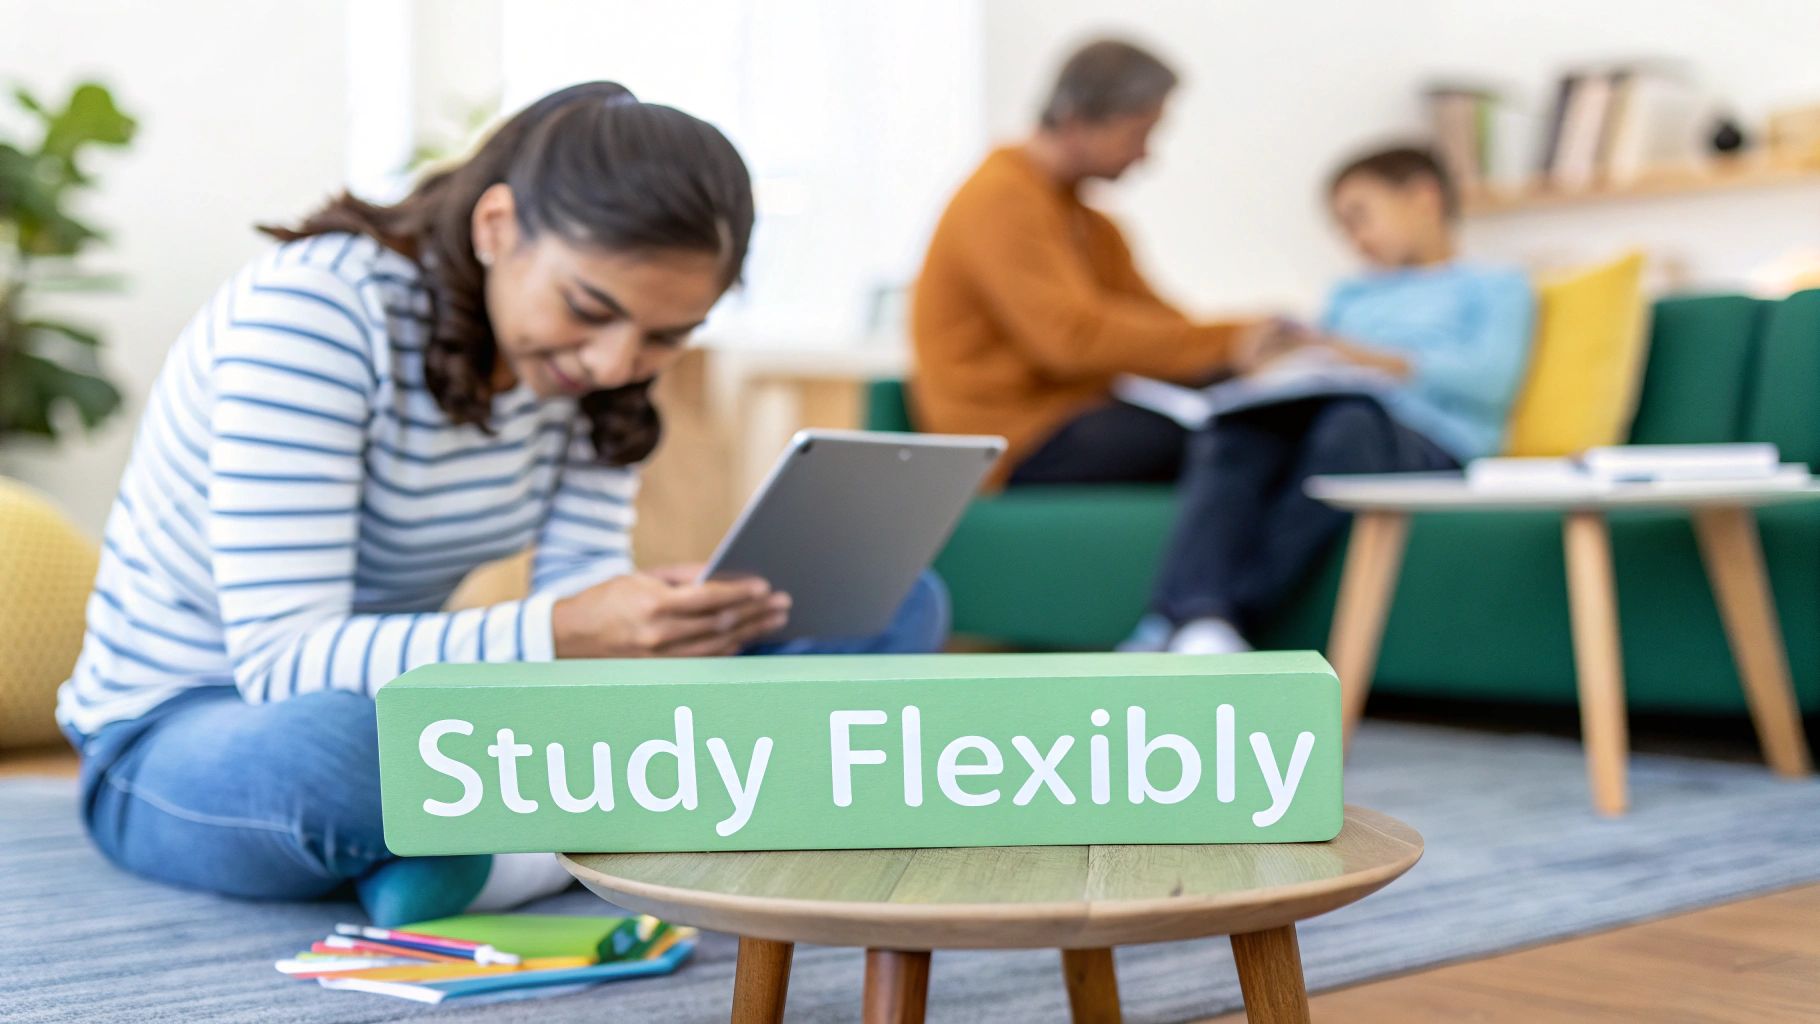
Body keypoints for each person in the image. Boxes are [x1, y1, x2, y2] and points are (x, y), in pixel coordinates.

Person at [56, 82, 947, 926]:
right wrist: (570, 630)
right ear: (496, 226)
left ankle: (494, 853)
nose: (611, 363)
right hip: (186, 730)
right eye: (588, 308)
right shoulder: (316, 311)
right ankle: (670, 817)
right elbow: (283, 663)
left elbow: (581, 597)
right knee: (351, 755)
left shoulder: (593, 373)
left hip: (427, 713)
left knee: (894, 604)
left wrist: (660, 624)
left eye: (665, 336)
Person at [1128, 145, 1535, 654]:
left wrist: (1355, 354)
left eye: (1360, 216)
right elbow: (1321, 371)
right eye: (1342, 227)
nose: (1354, 238)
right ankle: (1192, 621)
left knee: (1349, 424)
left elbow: (1489, 381)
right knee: (1238, 430)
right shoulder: (1350, 295)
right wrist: (1269, 361)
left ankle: (1224, 614)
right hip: (1332, 417)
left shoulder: (1495, 287)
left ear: (1423, 197)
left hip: (1428, 443)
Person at [911, 38, 1265, 488]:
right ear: (1076, 122)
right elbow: (1070, 341)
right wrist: (1230, 341)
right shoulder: (1000, 198)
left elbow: (1157, 323)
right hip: (1009, 434)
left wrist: (1242, 349)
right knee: (1221, 439)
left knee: (1258, 417)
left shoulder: (1089, 221)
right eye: (1138, 134)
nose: (1145, 155)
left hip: (1076, 412)